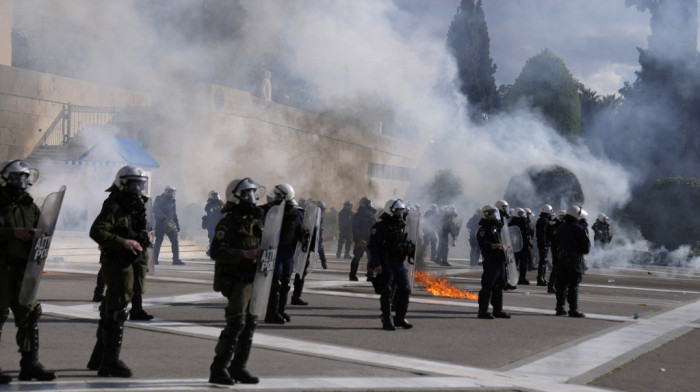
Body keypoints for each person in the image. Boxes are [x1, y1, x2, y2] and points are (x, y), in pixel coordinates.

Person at [87, 165, 152, 377]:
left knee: (110, 309)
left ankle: (99, 358)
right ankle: (110, 362)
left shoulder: (137, 205)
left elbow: (134, 228)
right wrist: (123, 242)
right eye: (133, 183)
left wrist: (146, 236)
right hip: (117, 262)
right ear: (123, 183)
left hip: (131, 261)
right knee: (117, 311)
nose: (137, 187)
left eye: (140, 183)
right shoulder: (115, 203)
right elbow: (97, 231)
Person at [0, 160, 56, 384]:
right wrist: (13, 232)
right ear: (5, 179)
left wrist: (37, 234)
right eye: (15, 178)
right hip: (1, 269)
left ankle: (30, 365)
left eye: (23, 178)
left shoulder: (29, 204)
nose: (20, 183)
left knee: (30, 315)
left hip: (24, 270)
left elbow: (41, 228)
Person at [208, 177, 265, 385]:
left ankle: (238, 367)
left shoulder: (255, 222)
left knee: (250, 324)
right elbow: (216, 251)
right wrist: (243, 254)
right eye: (247, 194)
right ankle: (218, 368)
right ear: (236, 197)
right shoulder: (228, 222)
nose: (251, 197)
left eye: (252, 193)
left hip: (253, 279)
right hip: (236, 280)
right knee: (236, 323)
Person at [368, 199, 414, 331]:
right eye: (398, 210)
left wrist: (408, 249)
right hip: (386, 264)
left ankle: (399, 318)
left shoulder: (400, 226)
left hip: (399, 263)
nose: (400, 213)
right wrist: (377, 264)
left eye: (401, 210)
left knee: (405, 289)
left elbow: (400, 244)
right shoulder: (380, 227)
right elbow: (373, 247)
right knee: (387, 292)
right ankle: (387, 320)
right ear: (391, 210)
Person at [263, 184, 304, 324]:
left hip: (288, 252)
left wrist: (305, 236)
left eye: (277, 195)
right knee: (276, 283)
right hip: (275, 250)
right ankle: (271, 313)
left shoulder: (295, 213)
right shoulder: (270, 210)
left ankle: (280, 311)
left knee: (285, 283)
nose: (274, 197)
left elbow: (299, 230)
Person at [554, 206, 591, 318]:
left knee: (561, 285)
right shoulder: (579, 228)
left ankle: (560, 308)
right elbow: (586, 248)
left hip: (561, 259)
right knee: (573, 285)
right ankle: (573, 310)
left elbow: (556, 242)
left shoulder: (560, 227)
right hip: (573, 260)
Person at [476, 205, 510, 319]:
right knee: (487, 286)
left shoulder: (496, 228)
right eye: (491, 214)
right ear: (485, 214)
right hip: (491, 261)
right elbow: (484, 245)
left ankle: (497, 310)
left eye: (494, 213)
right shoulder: (483, 230)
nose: (494, 216)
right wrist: (498, 246)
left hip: (500, 260)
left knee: (499, 286)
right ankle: (482, 311)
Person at [292, 200, 328, 306]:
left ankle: (296, 295)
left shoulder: (317, 219)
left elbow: (317, 237)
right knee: (300, 271)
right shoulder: (308, 218)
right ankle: (296, 296)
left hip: (306, 248)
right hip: (301, 248)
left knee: (302, 271)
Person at [153, 186, 184, 266]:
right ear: (167, 191)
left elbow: (174, 213)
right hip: (160, 224)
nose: (173, 193)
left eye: (173, 192)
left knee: (175, 241)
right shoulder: (159, 198)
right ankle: (154, 259)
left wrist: (177, 224)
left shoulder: (172, 201)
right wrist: (163, 216)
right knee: (158, 241)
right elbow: (155, 209)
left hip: (170, 224)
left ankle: (175, 260)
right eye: (171, 191)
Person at [349, 197, 376, 281]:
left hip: (369, 240)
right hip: (360, 240)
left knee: (371, 257)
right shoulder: (358, 216)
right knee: (357, 257)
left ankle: (370, 274)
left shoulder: (371, 215)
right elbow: (355, 228)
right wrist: (359, 239)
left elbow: (374, 227)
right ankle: (352, 275)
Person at [509, 208, 533, 285]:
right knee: (514, 263)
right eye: (520, 213)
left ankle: (522, 278)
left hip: (524, 245)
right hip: (515, 245)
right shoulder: (512, 223)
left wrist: (529, 243)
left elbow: (527, 234)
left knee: (524, 262)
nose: (521, 215)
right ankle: (513, 278)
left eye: (522, 213)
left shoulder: (525, 222)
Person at [546, 210, 565, 294]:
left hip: (562, 248)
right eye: (561, 216)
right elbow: (550, 236)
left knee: (561, 268)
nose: (562, 218)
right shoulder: (553, 224)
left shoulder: (564, 224)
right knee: (556, 267)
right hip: (556, 248)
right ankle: (551, 286)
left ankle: (557, 286)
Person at [535, 204, 553, 286]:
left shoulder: (543, 220)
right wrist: (544, 244)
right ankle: (540, 278)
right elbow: (542, 235)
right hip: (543, 244)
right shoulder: (543, 221)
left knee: (544, 261)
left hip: (544, 243)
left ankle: (542, 277)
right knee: (543, 260)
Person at [203, 190, 224, 255]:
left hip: (219, 224)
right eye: (215, 195)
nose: (216, 197)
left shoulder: (219, 204)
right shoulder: (209, 204)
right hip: (212, 225)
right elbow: (211, 211)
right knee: (212, 238)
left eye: (217, 195)